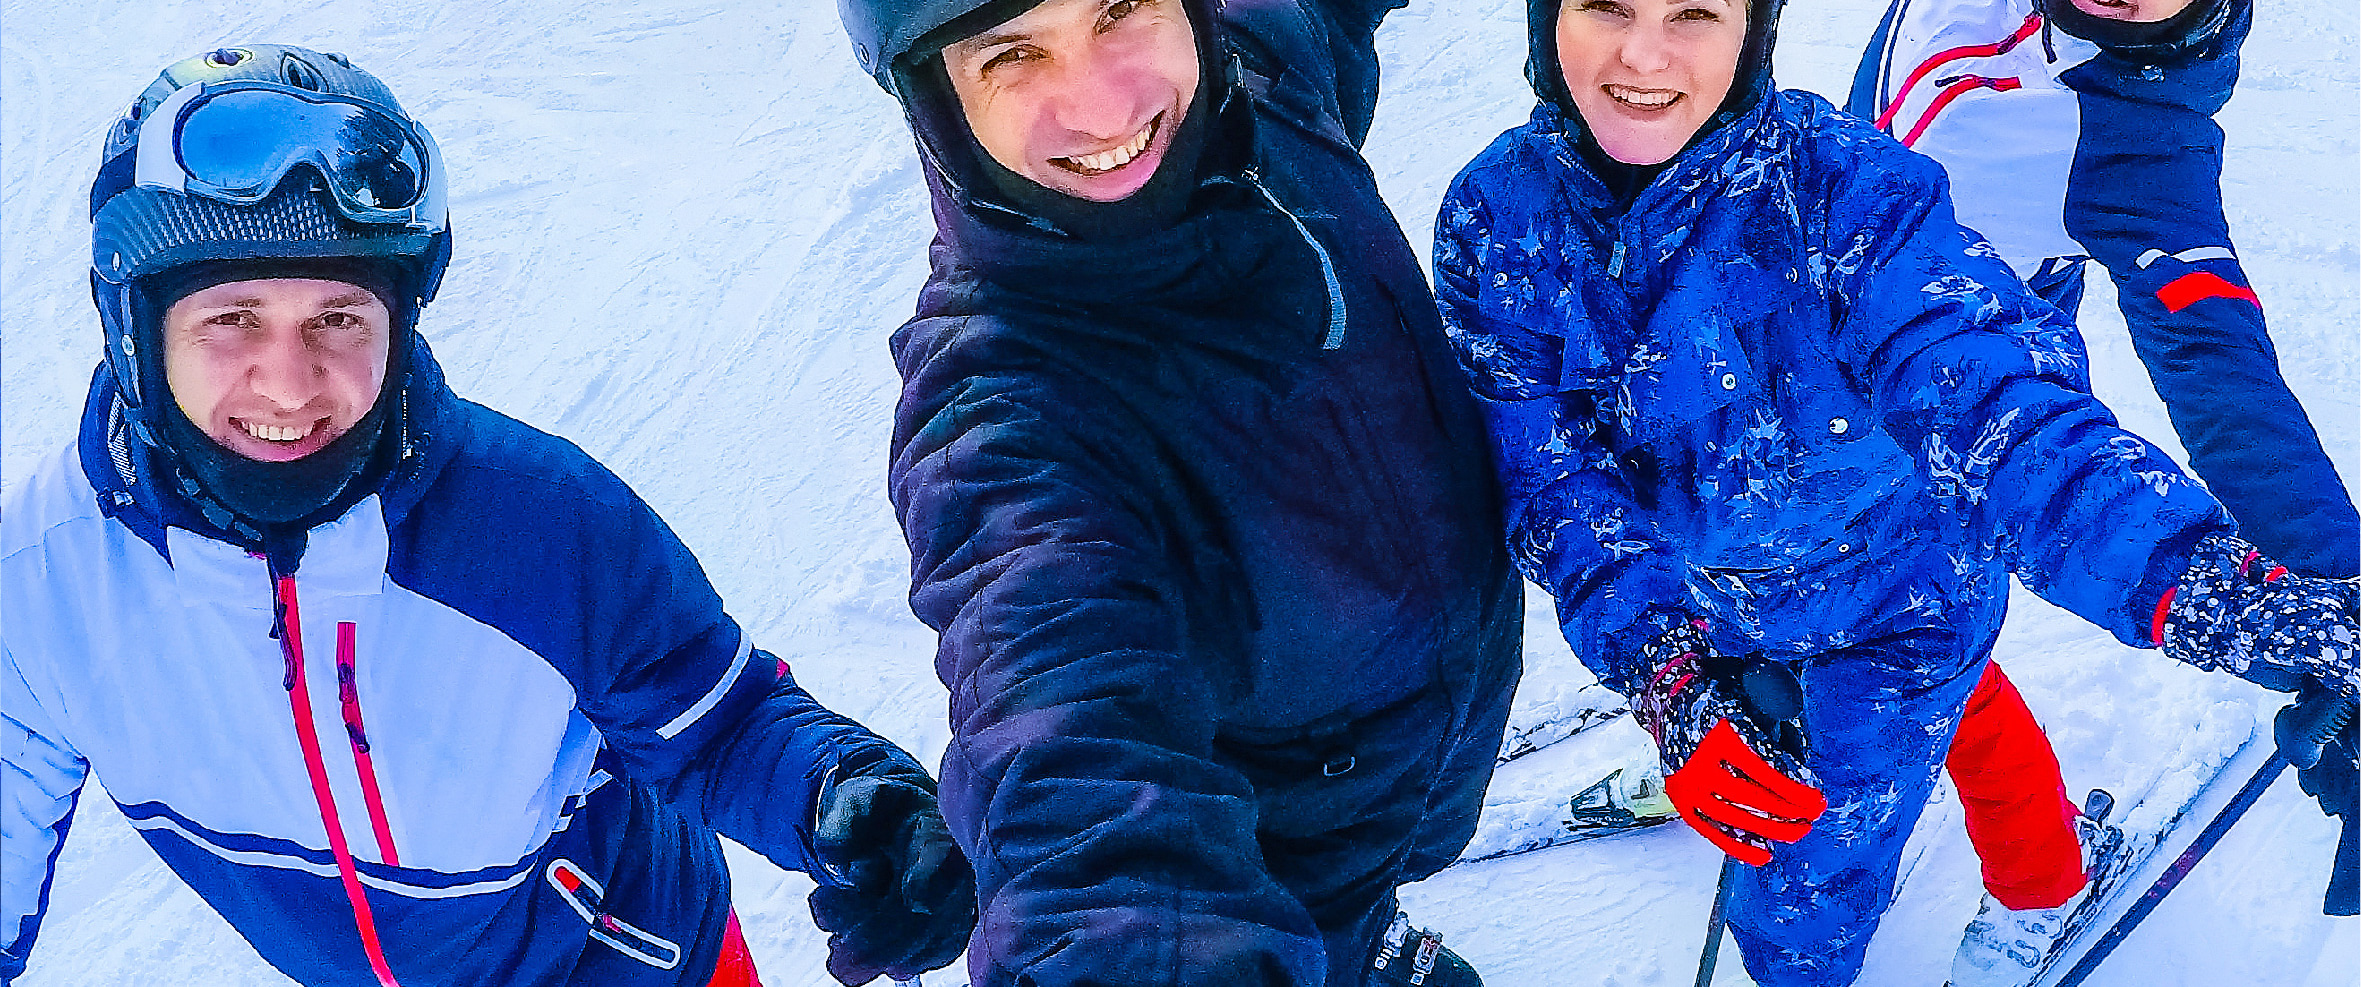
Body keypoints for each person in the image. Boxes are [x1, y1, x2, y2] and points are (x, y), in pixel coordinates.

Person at [0, 45, 973, 987]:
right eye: (233, 319)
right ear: (134, 328)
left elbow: (719, 724)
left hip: (641, 959)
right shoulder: (46, 582)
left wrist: (848, 799)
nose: (289, 383)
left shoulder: (538, 522)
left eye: (338, 317)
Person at [1431, 0, 2360, 981]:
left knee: (1799, 900)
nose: (1645, 53)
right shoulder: (1497, 220)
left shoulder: (1854, 193)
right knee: (1967, 708)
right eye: (1606, 3)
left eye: (1697, 11)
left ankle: (2026, 888)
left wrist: (2210, 584)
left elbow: (1999, 413)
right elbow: (1552, 478)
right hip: (1714, 595)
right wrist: (1664, 663)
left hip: (1898, 601)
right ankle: (2038, 858)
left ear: (1753, 28)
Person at [832, 0, 1525, 984]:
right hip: (1282, 840)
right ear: (936, 103)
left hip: (1433, 730)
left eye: (1121, 7)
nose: (1107, 107)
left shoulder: (1258, 79)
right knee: (1315, 919)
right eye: (1012, 55)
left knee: (1376, 877)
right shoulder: (1003, 421)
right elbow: (1070, 744)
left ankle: (1370, 925)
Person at [1850, 0, 2361, 971]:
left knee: (1916, 620)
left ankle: (2045, 872)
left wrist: (2338, 601)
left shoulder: (2134, 123)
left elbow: (2211, 355)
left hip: (1980, 358)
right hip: (1821, 293)